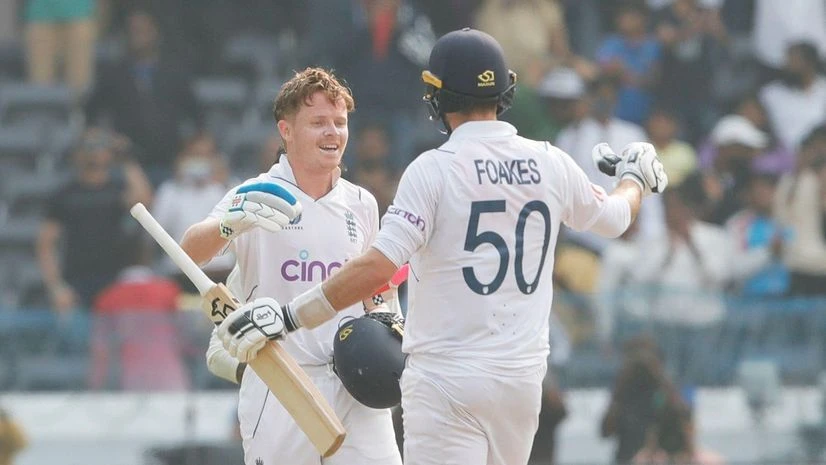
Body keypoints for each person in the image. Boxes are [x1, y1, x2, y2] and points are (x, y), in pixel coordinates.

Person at [215, 28, 668, 465]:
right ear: (504, 92)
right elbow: (614, 217)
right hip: (520, 377)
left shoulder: (433, 170)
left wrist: (292, 315)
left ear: (438, 96)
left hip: (445, 379)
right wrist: (634, 178)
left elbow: (378, 266)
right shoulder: (550, 162)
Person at [180, 67, 402, 465]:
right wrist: (234, 222)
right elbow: (191, 251)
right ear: (286, 130)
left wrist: (388, 325)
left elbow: (377, 289)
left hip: (355, 383)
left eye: (339, 122)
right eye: (318, 123)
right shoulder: (256, 192)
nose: (332, 133)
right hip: (281, 384)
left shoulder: (361, 202)